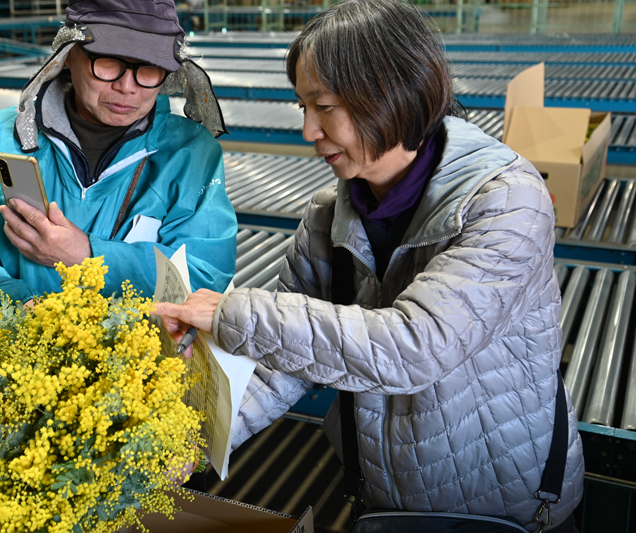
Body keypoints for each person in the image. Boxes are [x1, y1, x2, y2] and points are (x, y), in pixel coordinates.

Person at [154, 0, 584, 530]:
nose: (308, 130)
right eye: (300, 107)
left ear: (389, 90)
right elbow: (279, 360)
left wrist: (232, 313)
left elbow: (417, 345)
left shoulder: (506, 201)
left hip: (504, 505)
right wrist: (185, 445)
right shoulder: (328, 217)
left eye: (324, 106)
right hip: (385, 499)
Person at [0, 0, 238, 337]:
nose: (127, 87)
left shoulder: (190, 153)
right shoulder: (4, 137)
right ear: (69, 55)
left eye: (149, 68)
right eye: (108, 63)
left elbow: (204, 271)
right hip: (22, 362)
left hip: (140, 374)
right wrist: (16, 311)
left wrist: (90, 257)